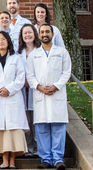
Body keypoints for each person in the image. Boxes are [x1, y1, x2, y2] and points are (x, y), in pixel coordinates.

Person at [26, 24, 71, 169]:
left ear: (52, 34)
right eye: (42, 32)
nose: (45, 34)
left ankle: (58, 159)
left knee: (58, 127)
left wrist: (56, 86)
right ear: (39, 35)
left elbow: (66, 72)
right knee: (42, 128)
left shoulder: (62, 52)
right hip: (40, 95)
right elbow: (30, 75)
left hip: (56, 94)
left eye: (47, 32)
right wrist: (39, 87)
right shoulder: (34, 54)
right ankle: (45, 159)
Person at [0, 31, 28, 169]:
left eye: (3, 39)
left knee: (12, 129)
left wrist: (9, 89)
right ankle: (4, 161)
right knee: (1, 129)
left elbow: (20, 78)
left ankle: (13, 161)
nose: (0, 42)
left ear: (8, 41)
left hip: (13, 97)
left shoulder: (16, 59)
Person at [17, 24, 41, 157]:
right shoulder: (18, 53)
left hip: (36, 90)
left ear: (34, 34)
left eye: (30, 32)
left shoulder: (40, 51)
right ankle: (29, 148)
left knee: (36, 120)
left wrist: (32, 81)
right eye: (25, 33)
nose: (27, 35)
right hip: (22, 91)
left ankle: (38, 148)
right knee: (26, 120)